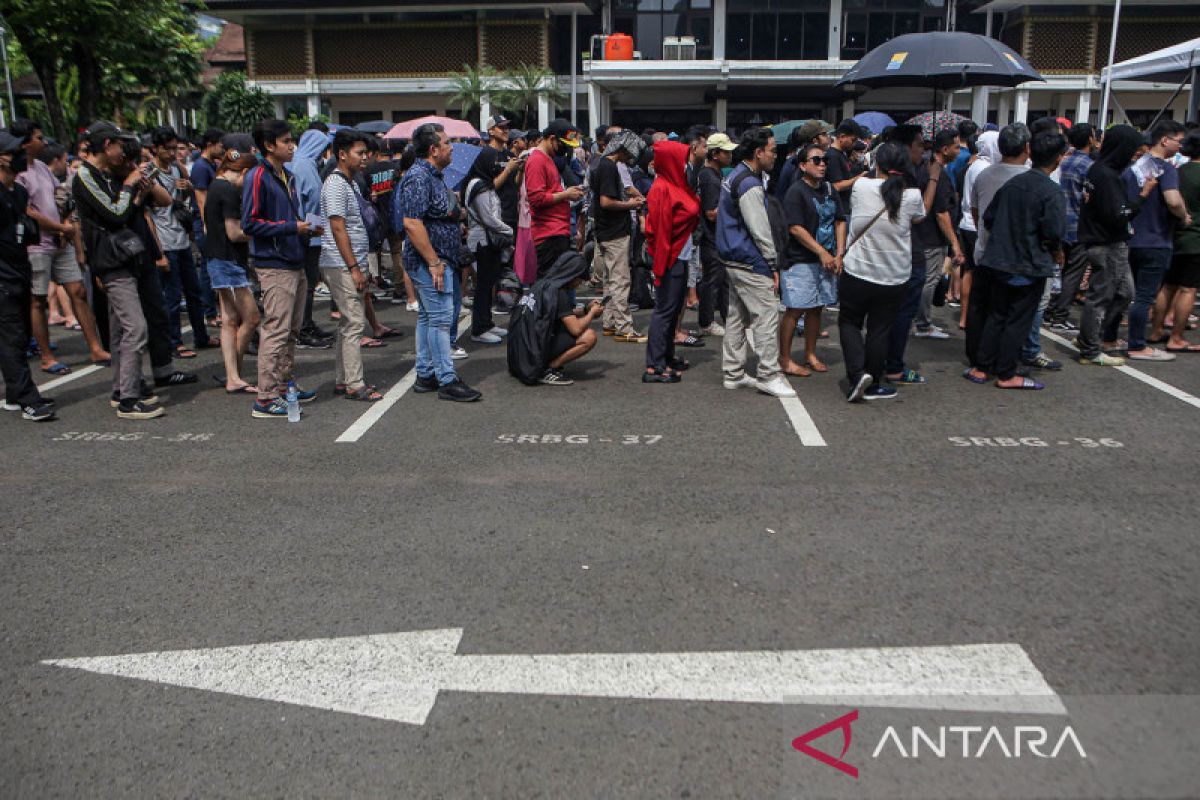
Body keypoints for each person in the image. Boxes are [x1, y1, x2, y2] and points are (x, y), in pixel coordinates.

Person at [74, 121, 166, 419]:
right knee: (135, 327)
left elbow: (134, 209)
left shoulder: (110, 174)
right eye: (119, 145)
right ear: (106, 145)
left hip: (128, 259)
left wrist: (138, 187)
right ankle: (129, 398)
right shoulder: (86, 176)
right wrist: (129, 186)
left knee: (118, 328)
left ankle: (121, 388)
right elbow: (114, 213)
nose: (124, 152)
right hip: (112, 262)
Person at [967, 130, 1068, 390]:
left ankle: (981, 367)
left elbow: (988, 218)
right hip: (1028, 262)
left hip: (998, 258)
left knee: (996, 315)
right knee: (1018, 320)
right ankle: (1007, 373)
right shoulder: (1051, 190)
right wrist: (1055, 251)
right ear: (1058, 158)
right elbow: (1054, 231)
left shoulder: (1012, 184)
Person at [13, 121, 109, 371]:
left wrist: (67, 226)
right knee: (38, 299)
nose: (43, 142)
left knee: (79, 292)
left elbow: (62, 198)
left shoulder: (42, 167)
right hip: (37, 245)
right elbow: (26, 211)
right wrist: (60, 228)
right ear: (24, 142)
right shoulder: (18, 173)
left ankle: (96, 348)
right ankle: (47, 357)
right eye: (37, 137)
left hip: (61, 241)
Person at [396, 122, 481, 402]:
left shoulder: (433, 176)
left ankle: (426, 372)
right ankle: (446, 378)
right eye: (446, 143)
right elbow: (411, 222)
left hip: (439, 257)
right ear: (433, 150)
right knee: (442, 319)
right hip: (430, 261)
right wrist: (433, 262)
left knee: (430, 317)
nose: (451, 147)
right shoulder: (419, 177)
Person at [838, 142, 926, 402]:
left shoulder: (862, 186)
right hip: (894, 276)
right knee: (880, 329)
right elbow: (919, 218)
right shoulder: (913, 196)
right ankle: (874, 381)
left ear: (877, 164)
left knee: (850, 322)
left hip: (858, 271)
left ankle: (857, 374)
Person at [242, 118, 318, 418]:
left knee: (291, 330)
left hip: (294, 258)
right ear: (269, 145)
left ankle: (285, 385)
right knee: (276, 329)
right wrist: (292, 227)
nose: (291, 146)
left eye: (291, 140)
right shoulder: (258, 176)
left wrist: (306, 228)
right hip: (274, 264)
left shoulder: (287, 175)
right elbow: (250, 222)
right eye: (286, 141)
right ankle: (265, 396)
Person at [716, 127, 796, 399]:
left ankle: (734, 372)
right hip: (749, 259)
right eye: (772, 150)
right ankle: (768, 375)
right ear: (758, 152)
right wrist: (773, 264)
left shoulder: (735, 176)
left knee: (737, 316)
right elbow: (760, 230)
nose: (776, 155)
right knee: (765, 316)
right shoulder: (749, 183)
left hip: (733, 257)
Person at [1076, 124, 1155, 367]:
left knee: (1124, 293)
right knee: (1101, 296)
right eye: (1133, 151)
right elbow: (1117, 215)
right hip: (1106, 243)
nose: (1135, 156)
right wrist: (1142, 196)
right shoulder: (1107, 176)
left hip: (1107, 242)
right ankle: (1090, 348)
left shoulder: (1100, 170)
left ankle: (1090, 337)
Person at [882, 124, 954, 386]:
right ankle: (894, 367)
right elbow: (921, 212)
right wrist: (934, 177)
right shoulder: (908, 178)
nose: (923, 150)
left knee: (888, 315)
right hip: (909, 252)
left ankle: (884, 362)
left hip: (891, 253)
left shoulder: (878, 177)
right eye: (919, 144)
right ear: (906, 147)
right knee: (901, 314)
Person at [1118, 119, 1190, 361]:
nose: (1181, 146)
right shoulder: (1165, 169)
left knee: (1124, 294)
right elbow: (1172, 200)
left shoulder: (1133, 168)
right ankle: (1137, 345)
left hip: (1131, 238)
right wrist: (1183, 215)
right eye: (1178, 141)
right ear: (1164, 140)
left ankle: (1109, 337)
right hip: (1156, 239)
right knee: (1144, 297)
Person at [320, 129, 383, 402]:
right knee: (355, 323)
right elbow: (337, 227)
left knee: (348, 323)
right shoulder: (335, 184)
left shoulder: (352, 182)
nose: (365, 158)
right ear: (342, 154)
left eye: (366, 152)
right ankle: (354, 384)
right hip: (341, 262)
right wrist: (354, 267)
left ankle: (343, 379)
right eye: (359, 153)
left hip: (350, 260)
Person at [0, 130, 56, 421]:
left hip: (21, 269)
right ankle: (27, 398)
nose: (21, 157)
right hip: (3, 278)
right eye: (14, 152)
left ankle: (14, 393)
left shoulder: (19, 192)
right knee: (11, 337)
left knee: (20, 336)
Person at [148, 126, 215, 360]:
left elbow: (185, 197)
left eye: (175, 148)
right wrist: (158, 253)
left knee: (194, 291)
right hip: (165, 241)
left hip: (181, 238)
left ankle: (201, 336)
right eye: (167, 149)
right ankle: (175, 342)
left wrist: (187, 188)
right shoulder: (149, 173)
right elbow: (147, 215)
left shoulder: (177, 168)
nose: (173, 153)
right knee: (172, 296)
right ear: (155, 148)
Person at [781, 143, 846, 378]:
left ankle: (810, 353)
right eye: (816, 160)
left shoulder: (830, 189)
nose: (822, 164)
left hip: (827, 259)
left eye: (825, 160)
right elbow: (795, 228)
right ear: (802, 165)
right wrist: (821, 252)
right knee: (795, 309)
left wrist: (839, 252)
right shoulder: (796, 191)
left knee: (817, 308)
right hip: (801, 260)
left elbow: (840, 220)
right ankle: (785, 358)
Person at [202, 133, 259, 395]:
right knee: (251, 317)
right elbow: (234, 232)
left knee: (229, 319)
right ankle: (233, 372)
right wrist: (261, 231)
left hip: (218, 258)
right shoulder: (228, 191)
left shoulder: (216, 185)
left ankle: (232, 375)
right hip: (228, 261)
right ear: (244, 171)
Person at [643, 139, 700, 383]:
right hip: (671, 258)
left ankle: (665, 357)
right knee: (665, 311)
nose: (686, 163)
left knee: (673, 309)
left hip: (678, 255)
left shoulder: (673, 185)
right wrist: (661, 267)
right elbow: (661, 232)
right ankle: (654, 366)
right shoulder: (662, 188)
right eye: (682, 159)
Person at [506, 250, 600, 386]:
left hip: (519, 356)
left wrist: (586, 310)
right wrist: (592, 314)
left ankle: (540, 364)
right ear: (572, 275)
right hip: (533, 353)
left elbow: (560, 313)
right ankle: (547, 369)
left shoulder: (542, 284)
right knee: (589, 336)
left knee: (562, 327)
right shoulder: (558, 293)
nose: (580, 283)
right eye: (580, 278)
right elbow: (576, 329)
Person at [592, 129, 647, 343]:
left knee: (609, 280)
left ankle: (610, 322)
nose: (630, 158)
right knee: (621, 280)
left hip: (606, 231)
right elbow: (606, 202)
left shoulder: (602, 164)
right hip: (614, 232)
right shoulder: (608, 167)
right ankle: (624, 327)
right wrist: (630, 205)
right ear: (623, 149)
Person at [1046, 123, 1101, 333]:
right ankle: (1060, 315)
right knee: (1073, 273)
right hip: (1079, 224)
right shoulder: (1089, 165)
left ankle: (1052, 310)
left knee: (1060, 269)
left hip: (1063, 221)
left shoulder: (1066, 161)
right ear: (1089, 139)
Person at [911, 128, 965, 342]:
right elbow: (941, 214)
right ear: (945, 149)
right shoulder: (936, 174)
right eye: (956, 147)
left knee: (929, 278)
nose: (959, 151)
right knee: (928, 281)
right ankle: (922, 323)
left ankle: (921, 320)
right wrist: (955, 244)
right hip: (931, 238)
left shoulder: (928, 169)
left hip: (925, 237)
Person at [1150, 129, 1200, 352]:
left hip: (1173, 235)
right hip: (1195, 238)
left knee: (1168, 286)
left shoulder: (1179, 170)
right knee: (1188, 289)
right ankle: (1177, 337)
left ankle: (1156, 330)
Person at [288, 127, 334, 348]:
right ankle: (303, 327)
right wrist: (318, 232)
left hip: (299, 230)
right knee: (308, 282)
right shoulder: (306, 166)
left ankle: (305, 323)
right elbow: (315, 199)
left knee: (305, 282)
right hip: (309, 232)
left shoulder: (296, 162)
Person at [462, 147, 513, 344]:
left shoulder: (485, 183)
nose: (496, 166)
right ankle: (479, 327)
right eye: (493, 163)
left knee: (489, 281)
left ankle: (487, 322)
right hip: (483, 241)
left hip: (488, 240)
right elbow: (488, 218)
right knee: (483, 285)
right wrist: (508, 231)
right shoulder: (478, 185)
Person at [525, 119, 585, 277]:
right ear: (552, 139)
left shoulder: (547, 159)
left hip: (556, 232)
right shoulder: (537, 160)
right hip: (548, 236)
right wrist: (566, 194)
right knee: (550, 287)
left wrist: (567, 193)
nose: (565, 150)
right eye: (563, 145)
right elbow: (536, 199)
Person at [957, 129, 999, 331]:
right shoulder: (986, 169)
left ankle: (964, 315)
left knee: (967, 271)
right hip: (975, 226)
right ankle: (969, 315)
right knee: (974, 274)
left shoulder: (973, 165)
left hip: (965, 223)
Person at [696, 132, 737, 337]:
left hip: (717, 237)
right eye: (726, 152)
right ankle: (706, 322)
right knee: (712, 280)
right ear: (714, 154)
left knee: (722, 280)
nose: (730, 155)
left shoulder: (715, 174)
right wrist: (734, 207)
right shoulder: (709, 178)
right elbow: (711, 213)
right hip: (711, 237)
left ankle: (726, 318)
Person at [188, 127, 224, 326]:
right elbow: (201, 199)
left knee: (210, 268)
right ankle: (210, 313)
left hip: (212, 223)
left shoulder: (211, 165)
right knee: (207, 270)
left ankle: (212, 310)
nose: (223, 149)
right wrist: (207, 227)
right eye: (220, 145)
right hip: (205, 225)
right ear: (210, 144)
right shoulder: (201, 167)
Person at [824, 119, 866, 208]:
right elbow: (837, 186)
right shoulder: (833, 156)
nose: (854, 144)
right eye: (853, 140)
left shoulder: (842, 153)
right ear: (842, 137)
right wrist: (860, 177)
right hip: (838, 208)